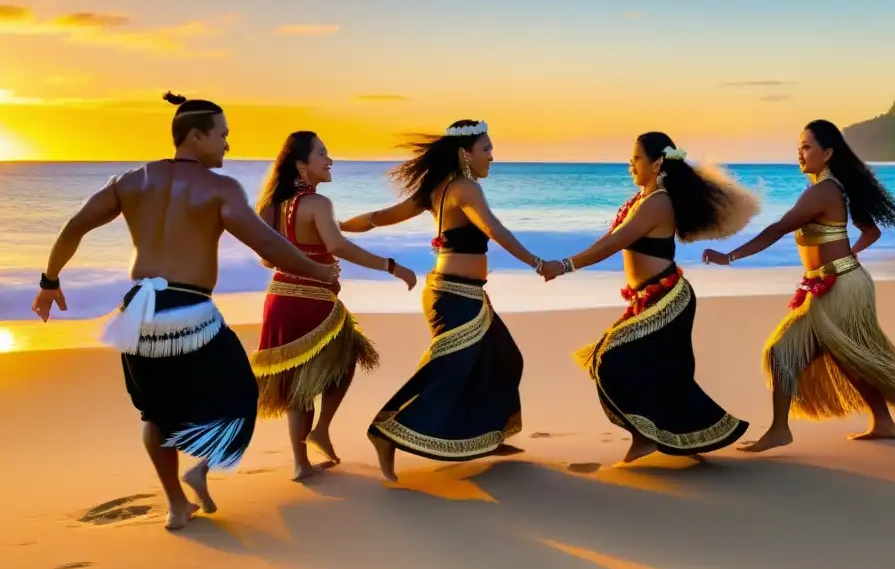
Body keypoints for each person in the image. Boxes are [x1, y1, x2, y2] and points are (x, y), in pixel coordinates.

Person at [31, 92, 339, 530]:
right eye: (223, 135)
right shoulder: (220, 188)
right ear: (196, 136)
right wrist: (318, 270)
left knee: (155, 413)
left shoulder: (130, 180)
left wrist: (49, 281)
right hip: (189, 312)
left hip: (139, 311)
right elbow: (267, 244)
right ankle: (201, 468)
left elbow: (75, 225)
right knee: (242, 396)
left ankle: (176, 503)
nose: (227, 146)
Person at [702, 120, 895, 452]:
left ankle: (779, 430)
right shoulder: (837, 189)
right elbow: (870, 232)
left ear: (827, 153)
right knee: (848, 357)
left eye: (807, 147)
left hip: (840, 287)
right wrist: (846, 259)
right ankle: (883, 423)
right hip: (838, 281)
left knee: (784, 351)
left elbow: (778, 228)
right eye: (799, 147)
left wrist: (729, 256)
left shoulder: (824, 191)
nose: (800, 154)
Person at [340, 120, 543, 481]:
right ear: (465, 154)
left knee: (504, 359)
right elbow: (495, 230)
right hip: (453, 295)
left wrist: (338, 226)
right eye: (486, 149)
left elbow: (377, 219)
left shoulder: (438, 188)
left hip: (461, 293)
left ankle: (484, 436)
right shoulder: (465, 188)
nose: (492, 157)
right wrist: (538, 263)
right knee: (449, 370)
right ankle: (385, 431)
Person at [543, 132, 758, 463]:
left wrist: (566, 264)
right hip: (646, 298)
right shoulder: (640, 200)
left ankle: (649, 438)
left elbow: (615, 243)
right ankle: (674, 439)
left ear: (657, 163)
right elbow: (610, 238)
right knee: (656, 373)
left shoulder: (658, 202)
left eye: (636, 158)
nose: (630, 163)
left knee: (613, 360)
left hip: (667, 298)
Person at [250, 131, 417, 481]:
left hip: (279, 299)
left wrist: (305, 252)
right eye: (322, 154)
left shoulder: (269, 205)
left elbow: (267, 258)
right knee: (345, 359)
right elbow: (338, 246)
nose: (330, 160)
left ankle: (300, 462)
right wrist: (390, 265)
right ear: (301, 165)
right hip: (314, 299)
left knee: (299, 381)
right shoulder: (318, 204)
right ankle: (321, 429)